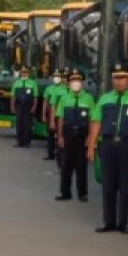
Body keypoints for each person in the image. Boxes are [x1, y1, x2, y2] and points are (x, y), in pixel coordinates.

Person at [88, 61, 128, 233]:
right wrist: (91, 146)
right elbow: (96, 123)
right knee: (108, 185)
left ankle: (123, 223)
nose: (119, 81)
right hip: (107, 145)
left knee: (125, 186)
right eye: (115, 78)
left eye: (122, 78)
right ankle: (109, 222)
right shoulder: (105, 99)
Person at [54, 71, 95, 203]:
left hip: (82, 135)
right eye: (73, 81)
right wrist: (60, 136)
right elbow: (60, 119)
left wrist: (90, 136)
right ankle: (65, 192)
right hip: (68, 133)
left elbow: (91, 120)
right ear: (70, 83)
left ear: (82, 83)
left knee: (81, 166)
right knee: (66, 165)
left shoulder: (88, 98)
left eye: (78, 80)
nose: (76, 83)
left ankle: (82, 193)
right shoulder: (64, 99)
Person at [42, 69, 68, 161]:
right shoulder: (50, 89)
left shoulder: (66, 90)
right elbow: (47, 103)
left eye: (65, 77)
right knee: (51, 135)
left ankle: (60, 155)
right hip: (53, 114)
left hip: (65, 116)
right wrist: (44, 115)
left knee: (62, 135)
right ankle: (50, 153)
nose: (64, 79)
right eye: (63, 77)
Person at [11, 66, 39, 148]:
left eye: (26, 72)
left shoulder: (33, 83)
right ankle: (20, 142)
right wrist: (12, 106)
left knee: (28, 124)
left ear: (29, 73)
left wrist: (34, 106)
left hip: (28, 106)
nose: (24, 73)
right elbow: (13, 96)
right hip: (19, 106)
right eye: (23, 72)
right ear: (20, 73)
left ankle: (27, 142)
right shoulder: (16, 83)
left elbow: (35, 96)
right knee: (19, 124)